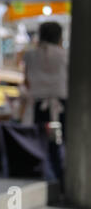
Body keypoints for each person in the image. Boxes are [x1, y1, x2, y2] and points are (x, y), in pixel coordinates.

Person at [23, 21, 68, 189]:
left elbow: (26, 81)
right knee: (60, 142)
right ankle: (60, 178)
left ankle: (44, 177)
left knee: (41, 142)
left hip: (39, 106)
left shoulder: (30, 55)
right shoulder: (64, 55)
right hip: (61, 105)